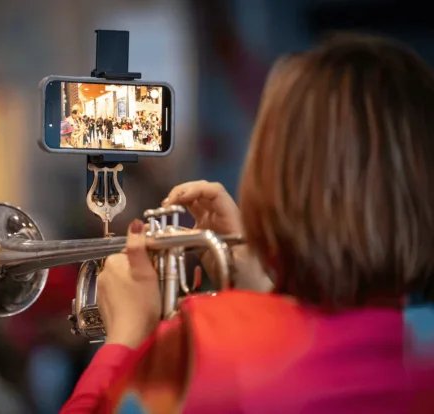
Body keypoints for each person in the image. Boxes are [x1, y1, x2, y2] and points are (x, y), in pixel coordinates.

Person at [61, 34, 434, 413]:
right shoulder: (423, 344)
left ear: (275, 174)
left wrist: (124, 337)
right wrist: (260, 285)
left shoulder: (199, 349)